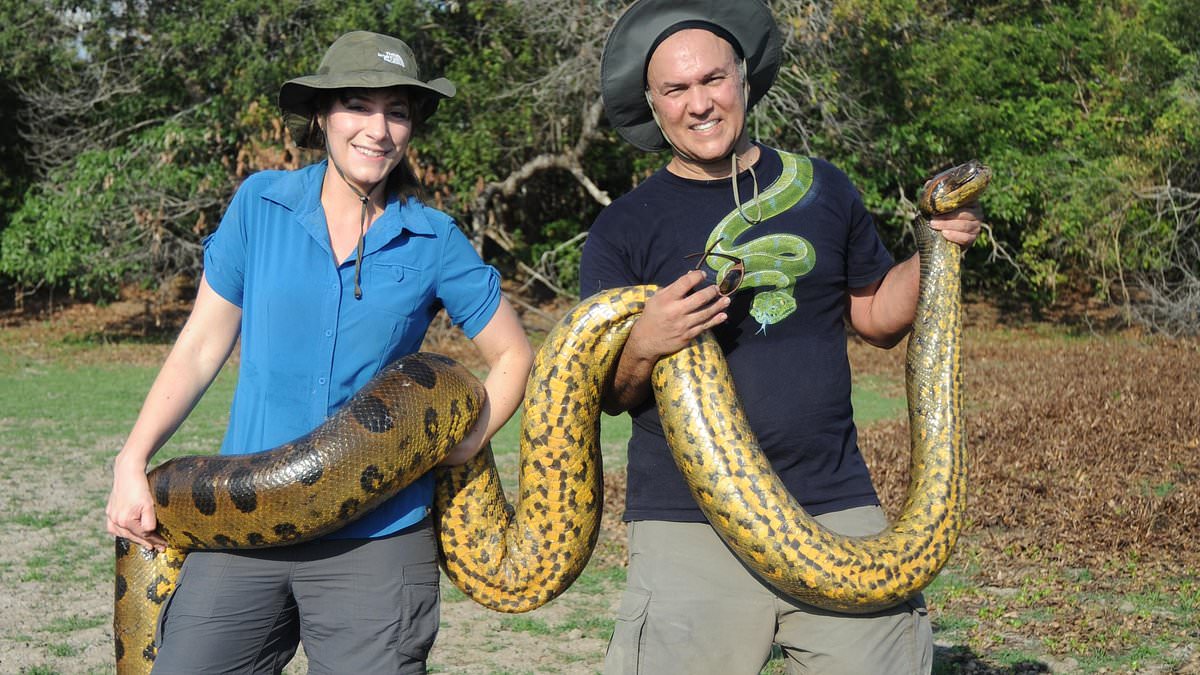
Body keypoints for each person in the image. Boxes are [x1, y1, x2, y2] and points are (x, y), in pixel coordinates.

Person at [105, 31, 533, 674]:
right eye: (358, 105)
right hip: (244, 529)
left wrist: (466, 442)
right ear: (323, 117)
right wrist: (131, 458)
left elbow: (514, 356)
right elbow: (200, 345)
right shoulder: (261, 203)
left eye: (396, 111)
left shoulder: (434, 236)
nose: (378, 129)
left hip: (378, 537)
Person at [579, 1, 983, 673]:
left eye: (713, 79)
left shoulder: (824, 188)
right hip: (689, 528)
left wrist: (933, 250)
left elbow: (877, 315)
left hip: (836, 505)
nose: (700, 103)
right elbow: (611, 395)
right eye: (676, 90)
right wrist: (646, 339)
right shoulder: (624, 227)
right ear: (653, 104)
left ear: (744, 77)